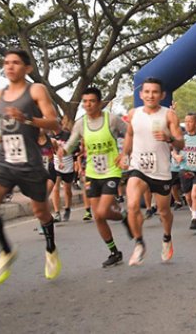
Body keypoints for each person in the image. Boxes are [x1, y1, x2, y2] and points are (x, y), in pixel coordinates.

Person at [0, 48, 61, 285]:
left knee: (41, 212)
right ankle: (6, 251)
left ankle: (50, 249)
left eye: (15, 63)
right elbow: (7, 125)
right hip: (5, 160)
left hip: (30, 162)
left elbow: (54, 123)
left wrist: (26, 118)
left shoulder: (36, 90)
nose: (10, 67)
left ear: (28, 68)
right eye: (6, 63)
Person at [59, 87, 130, 268]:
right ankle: (114, 251)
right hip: (92, 173)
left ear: (99, 103)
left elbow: (130, 133)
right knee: (98, 217)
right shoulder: (80, 124)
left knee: (101, 211)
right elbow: (72, 142)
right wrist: (63, 150)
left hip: (112, 171)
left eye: (91, 101)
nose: (87, 105)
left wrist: (125, 154)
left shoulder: (112, 120)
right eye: (85, 102)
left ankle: (122, 215)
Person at [120, 77, 184, 266]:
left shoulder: (169, 115)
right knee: (132, 205)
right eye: (146, 92)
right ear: (141, 94)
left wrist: (169, 138)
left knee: (164, 212)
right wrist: (125, 155)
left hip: (161, 170)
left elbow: (181, 143)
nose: (150, 95)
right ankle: (139, 243)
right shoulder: (133, 113)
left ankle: (166, 237)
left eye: (154, 92)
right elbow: (130, 136)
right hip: (138, 167)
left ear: (162, 95)